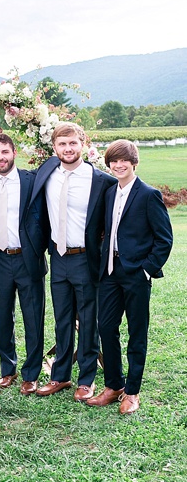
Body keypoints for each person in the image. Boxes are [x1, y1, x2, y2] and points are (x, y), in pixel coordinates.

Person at [87, 140, 173, 414]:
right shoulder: (110, 192)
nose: (118, 165)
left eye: (124, 160)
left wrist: (146, 269)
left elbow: (164, 239)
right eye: (114, 161)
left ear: (133, 162)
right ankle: (114, 386)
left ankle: (132, 392)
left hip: (136, 274)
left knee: (137, 333)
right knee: (106, 327)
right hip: (110, 273)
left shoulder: (149, 194)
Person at [30, 122, 115, 400]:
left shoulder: (101, 180)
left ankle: (86, 379)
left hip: (86, 258)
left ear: (83, 144)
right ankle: (60, 376)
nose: (68, 149)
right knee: (62, 318)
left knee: (89, 319)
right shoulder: (46, 173)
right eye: (62, 144)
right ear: (54, 147)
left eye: (73, 143)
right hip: (58, 256)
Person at [0, 132, 48, 393]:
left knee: (33, 317)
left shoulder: (32, 180)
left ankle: (31, 373)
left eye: (4, 152)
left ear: (14, 152)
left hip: (27, 257)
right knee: (2, 317)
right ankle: (7, 369)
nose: (0, 158)